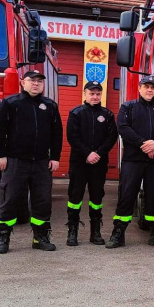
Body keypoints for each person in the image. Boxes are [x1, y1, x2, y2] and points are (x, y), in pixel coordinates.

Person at [0, 70, 63, 254]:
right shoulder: (11, 103)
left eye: (40, 81)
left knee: (42, 201)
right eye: (32, 80)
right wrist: (1, 154)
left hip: (41, 163)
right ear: (23, 82)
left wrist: (55, 157)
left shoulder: (50, 106)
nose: (36, 84)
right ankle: (3, 238)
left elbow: (57, 134)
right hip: (15, 161)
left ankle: (40, 238)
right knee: (10, 199)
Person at [106, 76, 154, 249]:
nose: (149, 90)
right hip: (133, 160)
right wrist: (143, 144)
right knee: (127, 196)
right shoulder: (128, 107)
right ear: (139, 88)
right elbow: (122, 127)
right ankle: (118, 234)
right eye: (146, 86)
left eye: (153, 87)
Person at [65, 81, 117, 246]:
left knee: (96, 198)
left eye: (97, 94)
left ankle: (95, 232)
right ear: (85, 94)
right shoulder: (76, 113)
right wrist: (87, 153)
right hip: (79, 163)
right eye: (91, 93)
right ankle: (72, 232)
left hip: (99, 164)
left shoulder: (107, 115)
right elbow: (72, 137)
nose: (95, 96)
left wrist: (98, 153)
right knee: (75, 197)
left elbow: (112, 138)